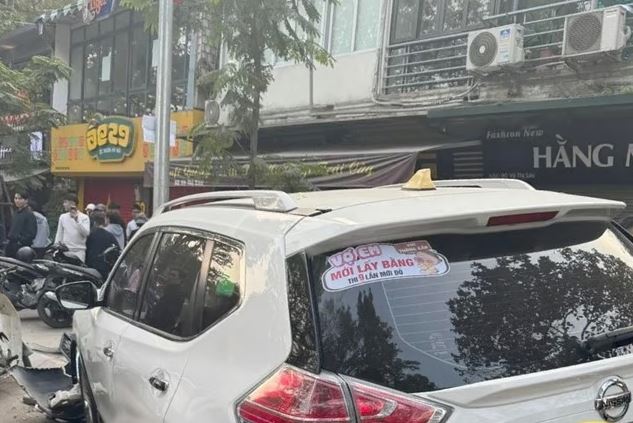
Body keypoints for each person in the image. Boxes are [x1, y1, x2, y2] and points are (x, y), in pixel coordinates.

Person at [54, 194, 90, 262]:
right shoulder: (63, 217)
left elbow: (86, 234)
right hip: (64, 252)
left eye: (65, 202)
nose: (63, 204)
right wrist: (56, 247)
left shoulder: (84, 217)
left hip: (79, 253)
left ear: (72, 203)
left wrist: (77, 220)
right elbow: (59, 234)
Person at [5, 191, 37, 258]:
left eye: (20, 198)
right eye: (16, 198)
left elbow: (32, 234)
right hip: (11, 245)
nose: (17, 200)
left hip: (22, 248)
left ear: (26, 200)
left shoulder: (29, 215)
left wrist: (20, 241)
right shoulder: (16, 213)